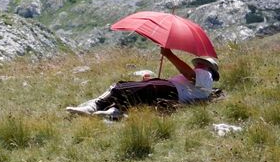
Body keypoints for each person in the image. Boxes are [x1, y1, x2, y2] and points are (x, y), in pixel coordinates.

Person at [66, 48, 220, 117]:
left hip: (171, 90)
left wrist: (169, 54)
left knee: (120, 87)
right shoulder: (204, 78)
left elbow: (189, 74)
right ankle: (113, 113)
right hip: (171, 91)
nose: (197, 64)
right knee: (134, 89)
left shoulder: (205, 74)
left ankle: (94, 106)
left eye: (201, 62)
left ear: (209, 68)